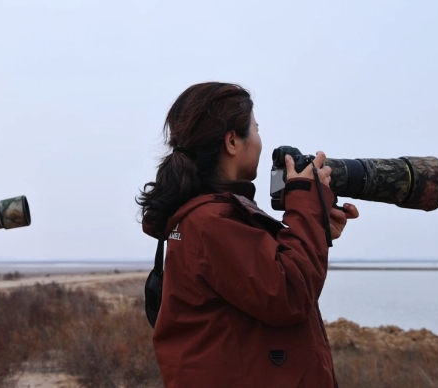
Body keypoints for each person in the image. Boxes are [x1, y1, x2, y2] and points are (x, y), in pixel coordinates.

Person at [138, 82, 360, 388]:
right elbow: (288, 292)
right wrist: (306, 203)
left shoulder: (213, 216)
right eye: (255, 129)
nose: (259, 140)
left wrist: (315, 229)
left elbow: (261, 278)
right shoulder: (210, 222)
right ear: (232, 141)